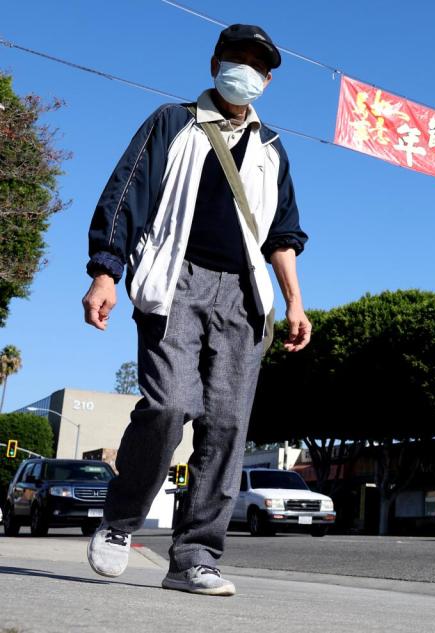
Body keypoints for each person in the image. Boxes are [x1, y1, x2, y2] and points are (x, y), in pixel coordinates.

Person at [81, 24, 310, 596]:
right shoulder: (172, 122)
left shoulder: (272, 149)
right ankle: (120, 522)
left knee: (227, 426)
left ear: (268, 79)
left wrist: (295, 301)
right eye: (236, 58)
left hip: (244, 295)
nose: (245, 70)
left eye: (256, 64)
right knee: (170, 405)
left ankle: (194, 559)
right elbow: (124, 194)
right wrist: (105, 272)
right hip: (174, 281)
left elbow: (281, 234)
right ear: (215, 62)